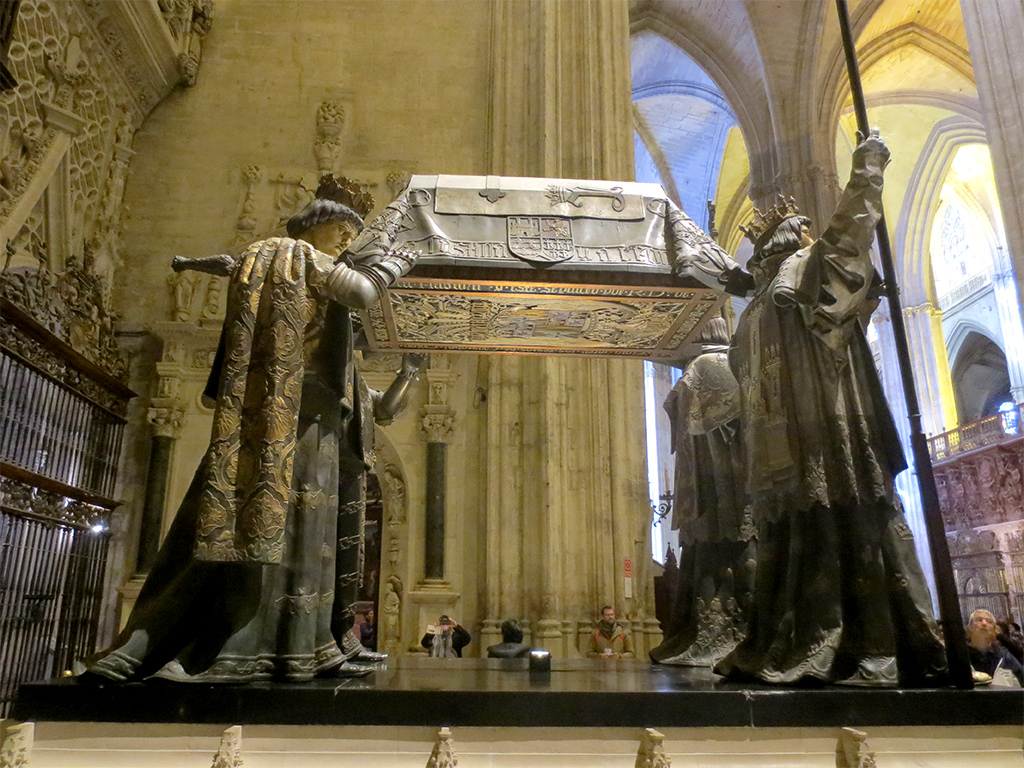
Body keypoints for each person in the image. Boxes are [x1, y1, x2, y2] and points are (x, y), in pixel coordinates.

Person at [84, 175, 421, 683]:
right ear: (318, 226)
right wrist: (406, 254)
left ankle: (312, 643)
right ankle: (245, 644)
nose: (348, 243)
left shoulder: (302, 286)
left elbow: (378, 402)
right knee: (274, 523)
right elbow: (359, 290)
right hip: (289, 417)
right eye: (343, 232)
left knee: (310, 531)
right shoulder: (291, 253)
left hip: (311, 418)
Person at [674, 130, 946, 687]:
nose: (778, 246)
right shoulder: (759, 305)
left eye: (777, 240)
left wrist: (868, 170)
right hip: (783, 451)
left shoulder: (804, 271)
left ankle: (867, 645)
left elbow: (848, 236)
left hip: (828, 432)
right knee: (798, 544)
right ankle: (802, 640)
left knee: (846, 531)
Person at [649, 318, 754, 667]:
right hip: (728, 484)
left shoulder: (708, 364)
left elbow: (704, 425)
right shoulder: (732, 363)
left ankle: (725, 635)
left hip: (720, 488)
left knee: (724, 558)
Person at [968, 609, 1024, 685]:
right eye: (979, 620)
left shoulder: (1004, 656)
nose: (984, 623)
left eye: (989, 621)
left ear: (994, 630)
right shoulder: (960, 656)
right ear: (970, 627)